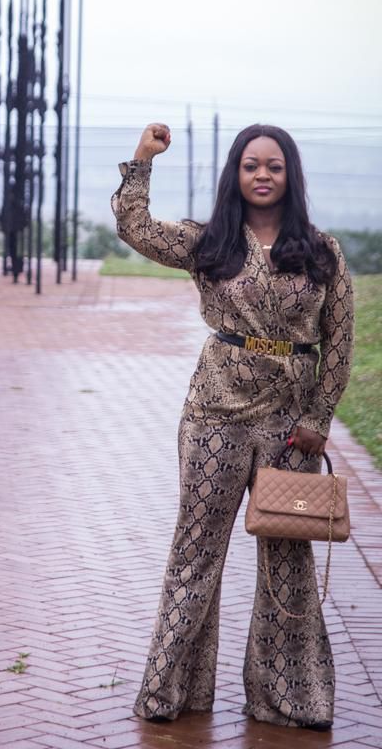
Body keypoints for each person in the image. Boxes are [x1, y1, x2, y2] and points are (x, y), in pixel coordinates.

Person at [111, 122, 354, 731]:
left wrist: (318, 418)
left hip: (289, 428)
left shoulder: (321, 252)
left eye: (273, 166)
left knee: (287, 558)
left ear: (289, 175)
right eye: (251, 166)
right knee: (197, 553)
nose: (262, 175)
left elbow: (341, 342)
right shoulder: (210, 242)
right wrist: (143, 160)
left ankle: (289, 699)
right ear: (235, 174)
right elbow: (135, 229)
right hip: (214, 417)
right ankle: (173, 692)